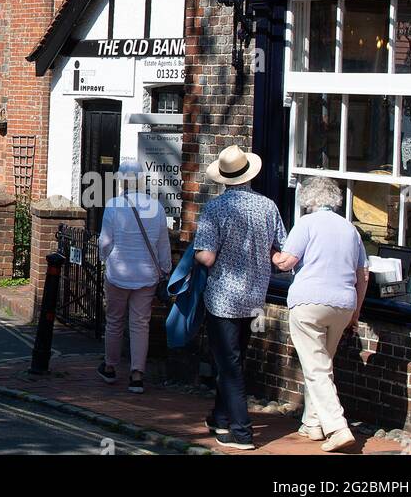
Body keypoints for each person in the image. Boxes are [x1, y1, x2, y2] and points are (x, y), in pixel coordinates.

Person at [192, 144, 287, 450]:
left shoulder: (215, 209)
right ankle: (220, 418)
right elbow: (280, 250)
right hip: (254, 296)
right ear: (248, 174)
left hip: (223, 298)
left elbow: (206, 257)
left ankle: (242, 432)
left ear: (224, 178)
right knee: (232, 359)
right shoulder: (268, 206)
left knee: (229, 365)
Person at [273, 176, 369, 453]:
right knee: (322, 365)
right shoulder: (350, 229)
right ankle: (313, 423)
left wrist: (273, 254)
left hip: (309, 301)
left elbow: (286, 262)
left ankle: (337, 427)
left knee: (316, 368)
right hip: (343, 303)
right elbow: (363, 274)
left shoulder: (305, 223)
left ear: (310, 201)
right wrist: (356, 312)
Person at [97, 160, 171, 394]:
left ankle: (110, 367)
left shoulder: (113, 205)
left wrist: (103, 259)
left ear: (121, 181)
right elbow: (162, 244)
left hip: (118, 272)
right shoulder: (156, 207)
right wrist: (165, 269)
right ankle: (137, 374)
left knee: (115, 321)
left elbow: (105, 242)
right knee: (140, 324)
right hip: (147, 274)